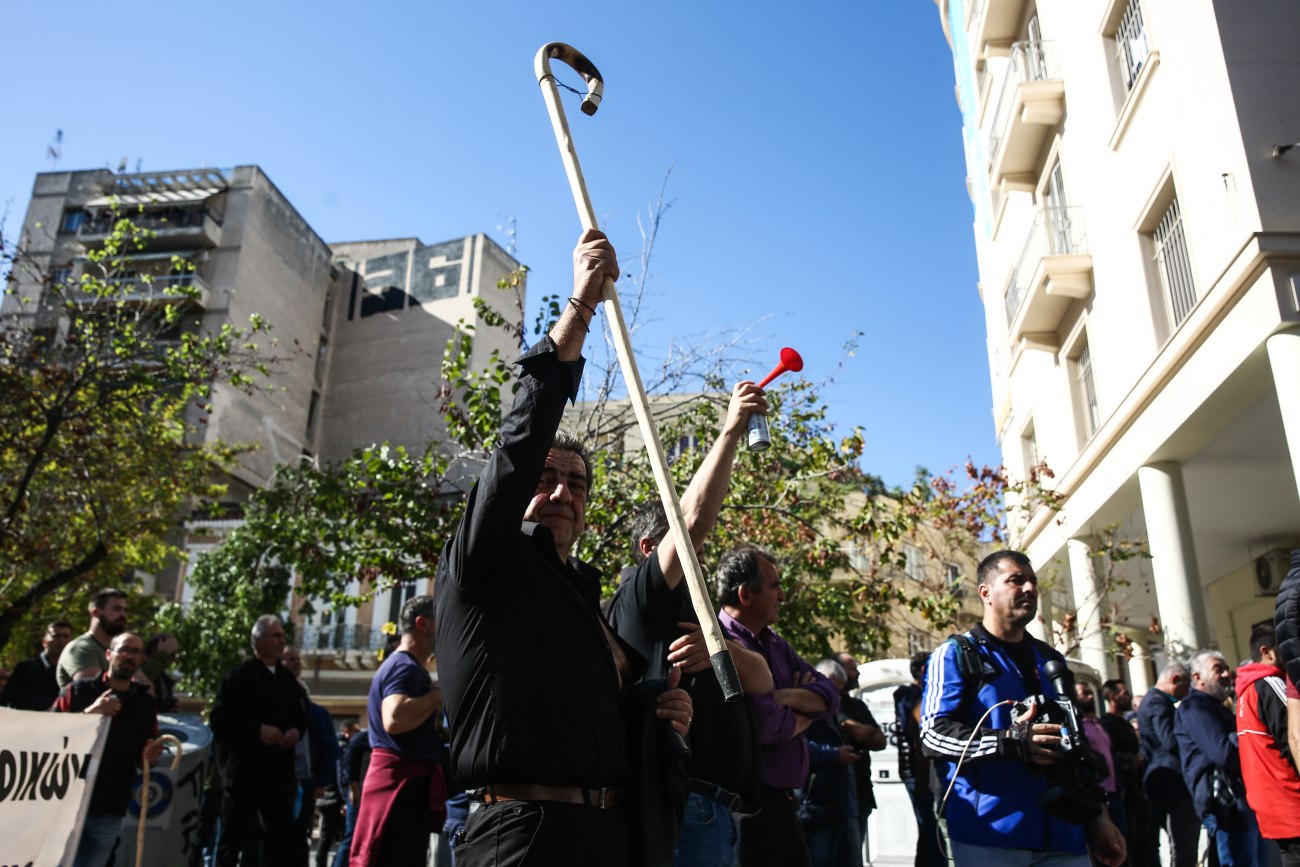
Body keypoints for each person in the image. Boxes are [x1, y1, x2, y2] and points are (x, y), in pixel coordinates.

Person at [434, 230, 692, 867]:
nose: (560, 492)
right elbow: (521, 440)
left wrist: (658, 711)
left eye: (576, 483)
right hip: (520, 838)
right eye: (545, 478)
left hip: (607, 836)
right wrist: (580, 305)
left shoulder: (585, 598)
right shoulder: (483, 566)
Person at [605, 381, 774, 867]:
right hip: (683, 804)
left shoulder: (699, 613)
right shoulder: (640, 599)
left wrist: (721, 647)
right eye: (683, 545)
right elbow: (693, 518)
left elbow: (761, 678)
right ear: (648, 550)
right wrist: (729, 433)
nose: (697, 552)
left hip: (715, 810)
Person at [919, 550, 1126, 867]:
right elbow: (933, 734)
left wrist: (1099, 815)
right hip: (991, 836)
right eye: (1016, 580)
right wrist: (1011, 742)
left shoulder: (1051, 660)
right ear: (985, 592)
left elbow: (1076, 745)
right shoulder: (955, 654)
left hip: (1067, 835)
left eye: (1032, 581)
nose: (1029, 588)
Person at [718, 544, 841, 867]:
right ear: (745, 595)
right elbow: (768, 727)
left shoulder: (775, 642)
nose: (783, 596)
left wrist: (782, 697)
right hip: (745, 811)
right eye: (775, 586)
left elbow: (831, 695)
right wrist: (806, 710)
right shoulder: (720, 645)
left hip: (785, 805)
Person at [53, 631, 165, 867]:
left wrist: (151, 756)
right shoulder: (79, 691)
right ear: (108, 654)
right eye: (123, 649)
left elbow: (148, 750)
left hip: (110, 803)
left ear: (142, 660)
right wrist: (89, 714)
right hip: (68, 798)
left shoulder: (145, 703)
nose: (128, 656)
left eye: (135, 652)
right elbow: (49, 730)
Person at [349, 595, 445, 866]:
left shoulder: (404, 666)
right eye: (440, 619)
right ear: (423, 623)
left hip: (401, 786)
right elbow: (394, 718)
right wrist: (436, 697)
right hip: (400, 791)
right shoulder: (404, 667)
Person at [209, 614, 309, 867]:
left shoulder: (287, 681)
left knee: (278, 838)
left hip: (277, 774)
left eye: (283, 636)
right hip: (244, 772)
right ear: (258, 640)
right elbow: (221, 720)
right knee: (233, 837)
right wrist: (257, 730)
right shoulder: (240, 677)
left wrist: (296, 731)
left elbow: (301, 717)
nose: (280, 641)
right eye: (275, 635)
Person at [1174, 649, 1268, 867]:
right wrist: (1248, 734)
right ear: (1197, 677)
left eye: (1227, 669)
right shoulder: (1194, 707)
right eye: (1218, 669)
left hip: (1243, 802)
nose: (1227, 674)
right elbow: (1223, 753)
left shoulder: (1216, 707)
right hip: (1227, 807)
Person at [1234, 624, 1300, 865]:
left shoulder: (1246, 691)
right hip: (1291, 801)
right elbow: (1294, 739)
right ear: (1268, 652)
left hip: (1273, 806)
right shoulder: (1272, 685)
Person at [798, 659, 864, 867]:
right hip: (815, 804)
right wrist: (834, 755)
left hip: (840, 804)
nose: (835, 695)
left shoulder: (832, 709)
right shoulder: (803, 706)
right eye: (832, 688)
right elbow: (799, 746)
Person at [282, 645, 341, 867]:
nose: (296, 662)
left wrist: (321, 781)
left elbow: (330, 748)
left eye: (298, 658)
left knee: (297, 838)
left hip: (302, 784)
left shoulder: (316, 714)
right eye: (290, 659)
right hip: (274, 783)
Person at [1137, 661, 1198, 867]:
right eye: (1186, 685)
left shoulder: (1153, 700)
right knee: (1183, 843)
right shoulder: (1157, 702)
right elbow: (1170, 741)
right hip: (1171, 784)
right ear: (1174, 680)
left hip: (1163, 782)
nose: (1187, 691)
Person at [894, 651, 944, 867]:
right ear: (924, 671)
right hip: (917, 773)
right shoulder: (910, 697)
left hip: (923, 773)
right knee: (931, 830)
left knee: (931, 832)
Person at [835, 650, 885, 864]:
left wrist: (864, 732)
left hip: (862, 791)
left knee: (855, 857)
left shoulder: (858, 705)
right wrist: (863, 732)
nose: (857, 673)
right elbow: (855, 731)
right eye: (852, 668)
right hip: (837, 797)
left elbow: (880, 740)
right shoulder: (830, 703)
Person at [1099, 679, 1145, 867]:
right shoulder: (1107, 724)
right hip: (1119, 791)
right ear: (1112, 696)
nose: (1127, 696)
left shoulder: (1125, 723)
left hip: (1135, 789)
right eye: (1123, 693)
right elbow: (1113, 757)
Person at [1074, 683, 1122, 835]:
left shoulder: (1099, 724)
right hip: (1095, 794)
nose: (1090, 696)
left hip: (1113, 793)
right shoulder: (1078, 727)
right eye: (1084, 693)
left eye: (1091, 692)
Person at [58, 588, 129, 688]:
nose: (123, 615)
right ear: (96, 613)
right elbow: (94, 690)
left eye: (125, 610)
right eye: (117, 609)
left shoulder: (120, 651)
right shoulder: (80, 648)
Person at [0, 618, 73, 709]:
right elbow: (9, 703)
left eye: (65, 636)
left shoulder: (75, 671)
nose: (61, 640)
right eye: (56, 636)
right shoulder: (25, 669)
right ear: (44, 641)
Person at [333, 725, 372, 867]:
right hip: (357, 796)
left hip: (364, 795)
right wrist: (351, 788)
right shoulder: (363, 738)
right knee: (351, 836)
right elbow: (345, 768)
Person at [140, 632, 181, 712]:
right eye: (171, 654)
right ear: (154, 650)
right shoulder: (137, 670)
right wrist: (162, 655)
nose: (174, 659)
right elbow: (144, 678)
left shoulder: (161, 676)